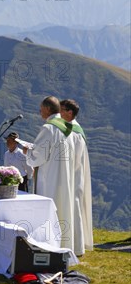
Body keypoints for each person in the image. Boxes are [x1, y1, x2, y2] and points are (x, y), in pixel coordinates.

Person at [24, 96, 75, 251]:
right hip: (63, 176)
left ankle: (47, 244)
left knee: (48, 209)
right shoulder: (67, 128)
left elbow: (39, 156)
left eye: (41, 108)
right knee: (61, 208)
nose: (39, 111)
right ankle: (63, 244)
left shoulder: (49, 128)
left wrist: (28, 153)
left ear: (47, 109)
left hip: (49, 178)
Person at [60, 99, 93, 256]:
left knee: (74, 206)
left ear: (69, 113)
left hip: (74, 175)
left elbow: (75, 158)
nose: (59, 113)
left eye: (62, 110)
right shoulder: (70, 129)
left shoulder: (75, 131)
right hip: (72, 174)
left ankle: (77, 246)